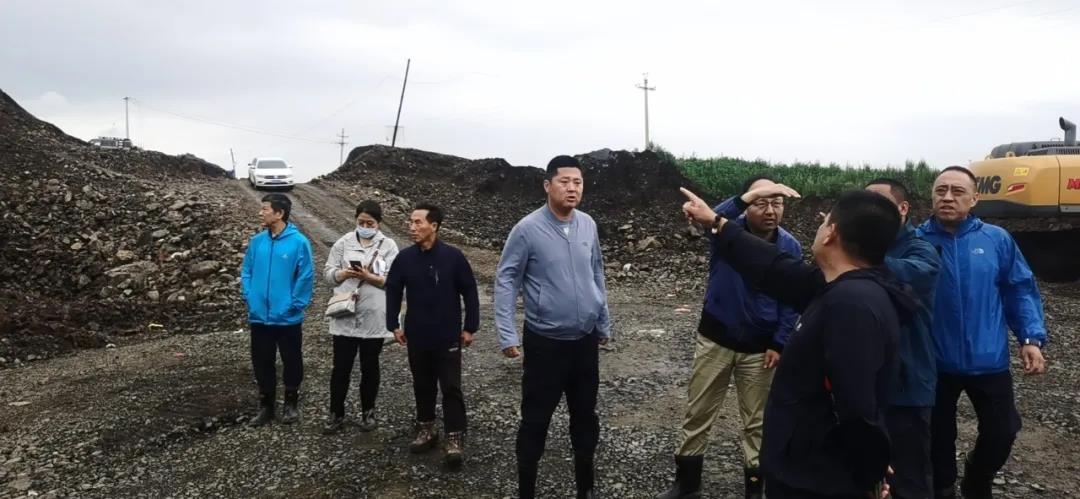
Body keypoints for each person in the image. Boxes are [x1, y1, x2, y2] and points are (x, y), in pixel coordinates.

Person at [680, 186, 917, 499]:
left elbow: (858, 405)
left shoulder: (852, 305)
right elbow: (776, 268)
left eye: (824, 223)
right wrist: (716, 222)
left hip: (815, 480)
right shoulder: (841, 287)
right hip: (807, 468)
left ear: (831, 233)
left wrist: (868, 473)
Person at [656, 175, 802, 499]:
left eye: (777, 203)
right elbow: (710, 214)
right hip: (716, 339)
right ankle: (687, 484)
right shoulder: (725, 230)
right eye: (761, 202)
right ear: (747, 205)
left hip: (761, 348)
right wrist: (748, 196)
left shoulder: (789, 246)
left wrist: (780, 342)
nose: (770, 210)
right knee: (698, 412)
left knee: (757, 421)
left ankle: (755, 488)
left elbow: (793, 298)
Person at [917, 166, 1048, 499]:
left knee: (1002, 432)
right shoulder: (916, 241)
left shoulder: (996, 239)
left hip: (988, 359)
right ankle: (942, 487)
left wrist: (1030, 338)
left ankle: (977, 476)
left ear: (975, 199)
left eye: (957, 191)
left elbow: (1019, 289)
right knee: (937, 436)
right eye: (940, 190)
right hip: (934, 361)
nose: (947, 197)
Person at [494, 155, 612, 499]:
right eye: (564, 182)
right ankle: (526, 490)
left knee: (585, 416)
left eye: (578, 182)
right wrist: (507, 333)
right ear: (548, 185)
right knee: (535, 419)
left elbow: (596, 272)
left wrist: (603, 321)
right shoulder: (527, 229)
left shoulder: (587, 224)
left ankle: (585, 489)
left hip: (584, 342)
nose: (572, 188)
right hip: (545, 343)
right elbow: (506, 279)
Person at [861, 178, 941, 499]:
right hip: (867, 381)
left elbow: (915, 274)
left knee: (910, 474)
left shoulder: (919, 249)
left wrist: (856, 256)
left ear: (903, 208)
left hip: (908, 382)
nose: (870, 211)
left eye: (880, 203)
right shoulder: (860, 246)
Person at [385, 203, 479, 468]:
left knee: (450, 386)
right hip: (417, 333)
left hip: (447, 334)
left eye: (418, 222)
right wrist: (393, 324)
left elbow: (470, 291)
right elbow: (393, 290)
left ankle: (455, 437)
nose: (412, 227)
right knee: (422, 384)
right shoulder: (405, 258)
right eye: (410, 222)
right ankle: (426, 428)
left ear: (434, 226)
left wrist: (470, 327)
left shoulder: (453, 257)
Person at [322, 200, 399, 434]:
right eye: (361, 222)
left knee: (370, 366)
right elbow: (327, 274)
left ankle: (368, 412)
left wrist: (370, 277)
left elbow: (395, 281)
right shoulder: (343, 243)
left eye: (370, 223)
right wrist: (343, 273)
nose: (365, 227)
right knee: (341, 367)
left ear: (378, 223)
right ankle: (336, 413)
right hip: (345, 313)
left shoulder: (389, 245)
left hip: (373, 315)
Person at [240, 193, 315, 427]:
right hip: (259, 316)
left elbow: (306, 276)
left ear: (279, 213)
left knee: (291, 360)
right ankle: (266, 406)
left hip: (287, 318)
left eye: (265, 209)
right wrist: (250, 296)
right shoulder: (257, 242)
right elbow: (247, 271)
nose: (260, 213)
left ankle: (291, 403)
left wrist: (294, 305)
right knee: (262, 361)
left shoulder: (299, 242)